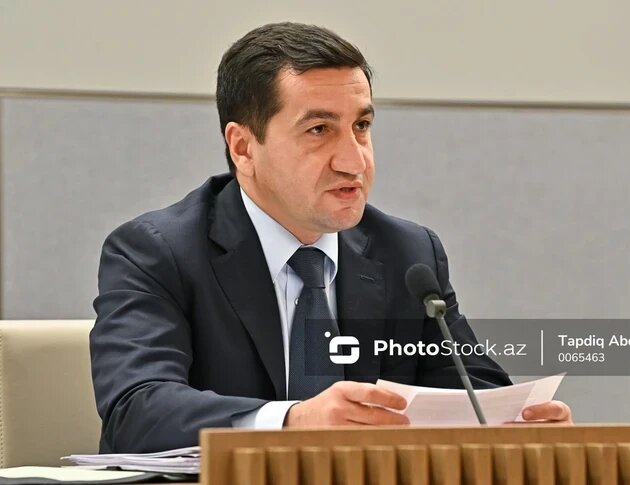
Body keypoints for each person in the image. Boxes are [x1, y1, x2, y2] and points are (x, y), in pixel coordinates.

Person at [90, 21, 572, 454]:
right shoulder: (158, 251)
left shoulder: (408, 254)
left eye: (361, 126)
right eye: (319, 129)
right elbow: (136, 410)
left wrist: (517, 425)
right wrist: (293, 422)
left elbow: (471, 391)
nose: (354, 160)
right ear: (243, 147)